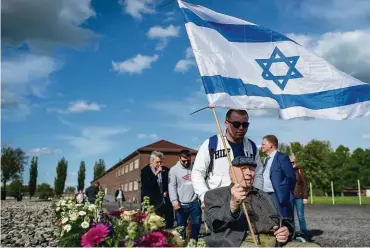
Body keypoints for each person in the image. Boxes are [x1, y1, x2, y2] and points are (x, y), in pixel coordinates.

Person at [204, 156, 319, 247]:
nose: (249, 172)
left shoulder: (264, 195)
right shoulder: (215, 195)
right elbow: (213, 223)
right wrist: (233, 205)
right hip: (241, 243)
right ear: (230, 172)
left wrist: (286, 231)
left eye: (252, 168)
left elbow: (280, 221)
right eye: (243, 168)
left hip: (275, 242)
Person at [192, 109, 262, 209]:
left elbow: (258, 173)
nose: (241, 128)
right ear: (226, 123)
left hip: (247, 203)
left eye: (245, 125)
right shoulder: (212, 143)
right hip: (218, 203)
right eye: (236, 124)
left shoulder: (251, 147)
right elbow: (197, 172)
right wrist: (204, 197)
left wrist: (257, 196)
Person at [254, 135, 296, 219]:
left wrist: (284, 192)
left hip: (277, 195)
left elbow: (291, 177)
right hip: (265, 195)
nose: (261, 146)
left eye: (263, 144)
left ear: (271, 144)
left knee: (282, 221)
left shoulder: (282, 157)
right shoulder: (266, 159)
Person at [169, 149, 201, 241]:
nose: (187, 162)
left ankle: (193, 242)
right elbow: (172, 187)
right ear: (179, 158)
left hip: (194, 203)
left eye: (188, 160)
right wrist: (174, 201)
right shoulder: (174, 170)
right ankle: (181, 243)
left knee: (196, 224)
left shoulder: (195, 168)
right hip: (181, 204)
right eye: (184, 161)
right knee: (181, 227)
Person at [141, 151, 174, 228]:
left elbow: (170, 184)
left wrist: (166, 191)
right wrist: (156, 173)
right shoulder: (145, 171)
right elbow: (147, 186)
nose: (159, 164)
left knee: (167, 224)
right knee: (152, 225)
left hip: (164, 202)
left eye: (161, 162)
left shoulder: (166, 170)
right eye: (157, 162)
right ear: (151, 161)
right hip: (152, 203)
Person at [290, 155, 309, 238]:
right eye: (290, 162)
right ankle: (292, 234)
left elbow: (305, 184)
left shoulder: (299, 170)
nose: (292, 163)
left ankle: (304, 234)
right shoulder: (286, 170)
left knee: (300, 216)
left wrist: (305, 197)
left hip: (299, 197)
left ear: (296, 162)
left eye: (293, 162)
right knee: (291, 217)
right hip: (289, 197)